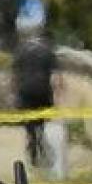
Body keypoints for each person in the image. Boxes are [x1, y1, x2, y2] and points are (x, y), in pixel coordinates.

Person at [12, 31, 57, 166]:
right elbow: (55, 75)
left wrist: (13, 93)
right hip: (43, 90)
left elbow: (14, 74)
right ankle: (42, 145)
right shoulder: (47, 51)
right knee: (43, 123)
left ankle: (33, 148)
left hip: (25, 91)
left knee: (29, 124)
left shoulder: (20, 51)